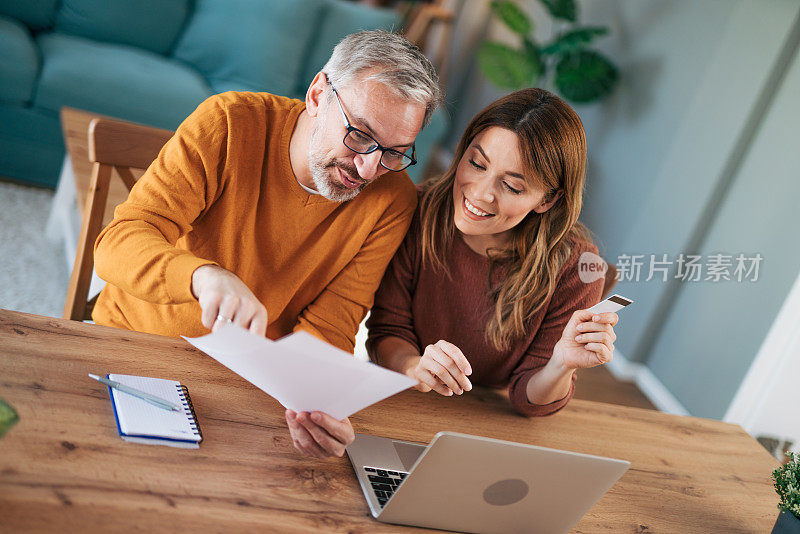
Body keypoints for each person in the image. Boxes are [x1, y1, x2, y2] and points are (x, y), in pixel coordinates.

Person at [92, 31, 442, 457]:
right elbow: (118, 242)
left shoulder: (392, 200)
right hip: (135, 347)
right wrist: (203, 276)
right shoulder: (229, 123)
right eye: (359, 135)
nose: (369, 169)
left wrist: (316, 406)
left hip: (251, 386)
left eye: (395, 152)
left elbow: (331, 326)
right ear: (318, 95)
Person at [366, 88, 619, 416]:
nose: (481, 193)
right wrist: (414, 366)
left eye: (512, 186)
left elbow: (529, 400)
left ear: (547, 200)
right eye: (476, 163)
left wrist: (560, 365)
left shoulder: (578, 267)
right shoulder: (415, 213)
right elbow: (388, 331)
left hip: (490, 417)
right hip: (405, 400)